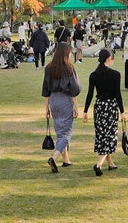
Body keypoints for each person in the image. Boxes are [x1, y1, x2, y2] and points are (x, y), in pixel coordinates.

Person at [83, 49, 126, 176]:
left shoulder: (94, 75)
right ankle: (99, 164)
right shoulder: (115, 74)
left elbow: (90, 94)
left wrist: (85, 111)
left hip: (99, 107)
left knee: (101, 135)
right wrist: (122, 111)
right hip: (111, 107)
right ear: (109, 59)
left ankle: (110, 163)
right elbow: (117, 95)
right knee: (110, 136)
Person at [42, 43, 81, 173]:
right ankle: (54, 157)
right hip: (65, 100)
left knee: (60, 131)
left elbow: (46, 89)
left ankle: (66, 159)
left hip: (53, 100)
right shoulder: (69, 68)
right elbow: (74, 89)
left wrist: (46, 108)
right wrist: (76, 106)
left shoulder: (49, 68)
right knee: (66, 133)